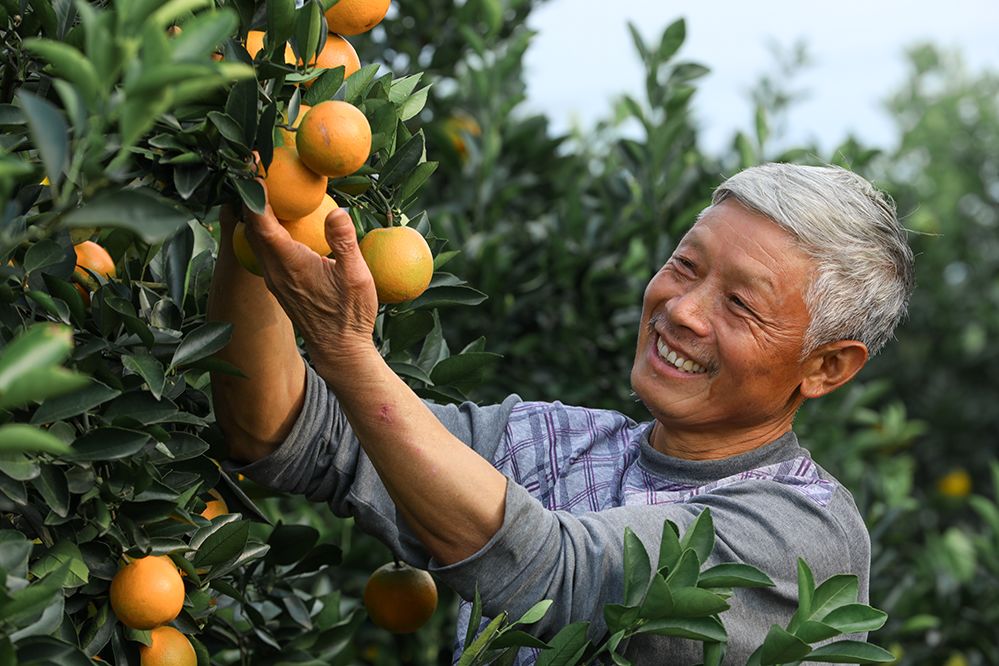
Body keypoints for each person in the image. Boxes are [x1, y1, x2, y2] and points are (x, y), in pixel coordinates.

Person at [207, 163, 914, 664]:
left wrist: (347, 351)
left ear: (825, 366)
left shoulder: (802, 531)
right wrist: (261, 206)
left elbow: (549, 573)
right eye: (684, 265)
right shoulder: (550, 446)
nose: (682, 310)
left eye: (739, 304)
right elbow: (287, 429)